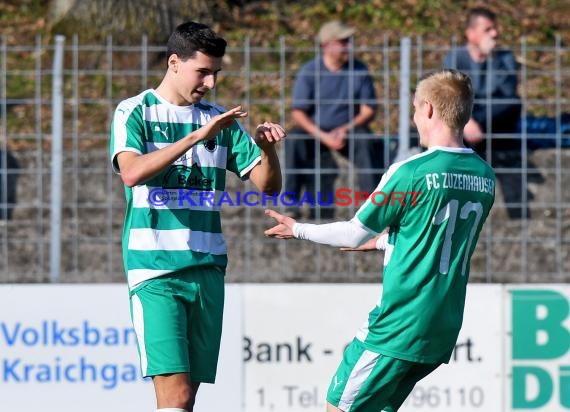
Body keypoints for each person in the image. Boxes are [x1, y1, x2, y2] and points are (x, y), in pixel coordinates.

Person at [265, 69, 495, 412]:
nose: (414, 117)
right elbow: (438, 237)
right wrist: (385, 244)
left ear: (429, 109)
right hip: (442, 325)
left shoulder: (411, 172)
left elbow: (355, 231)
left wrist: (298, 228)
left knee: (337, 409)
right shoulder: (484, 175)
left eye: (415, 108)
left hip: (398, 323)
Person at [109, 21, 285, 412]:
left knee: (187, 400)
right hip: (155, 270)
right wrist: (195, 136)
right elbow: (132, 172)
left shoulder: (220, 121)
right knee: (176, 395)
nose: (210, 82)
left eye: (215, 73)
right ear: (174, 63)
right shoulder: (134, 111)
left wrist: (266, 149)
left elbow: (268, 187)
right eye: (202, 71)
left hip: (207, 267)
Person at [285, 20, 384, 219]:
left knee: (366, 142)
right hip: (315, 130)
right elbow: (298, 112)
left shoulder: (359, 70)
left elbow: (368, 110)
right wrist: (323, 136)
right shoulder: (309, 71)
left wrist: (344, 130)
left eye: (348, 41)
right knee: (294, 140)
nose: (348, 46)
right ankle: (291, 203)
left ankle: (372, 206)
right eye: (342, 42)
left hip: (349, 129)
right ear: (326, 45)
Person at [443, 7, 521, 157]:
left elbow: (509, 93)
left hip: (494, 120)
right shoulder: (456, 58)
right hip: (467, 115)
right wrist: (467, 121)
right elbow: (449, 96)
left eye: (495, 29)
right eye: (488, 30)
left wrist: (493, 59)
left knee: (513, 103)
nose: (494, 34)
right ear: (471, 33)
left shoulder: (505, 58)